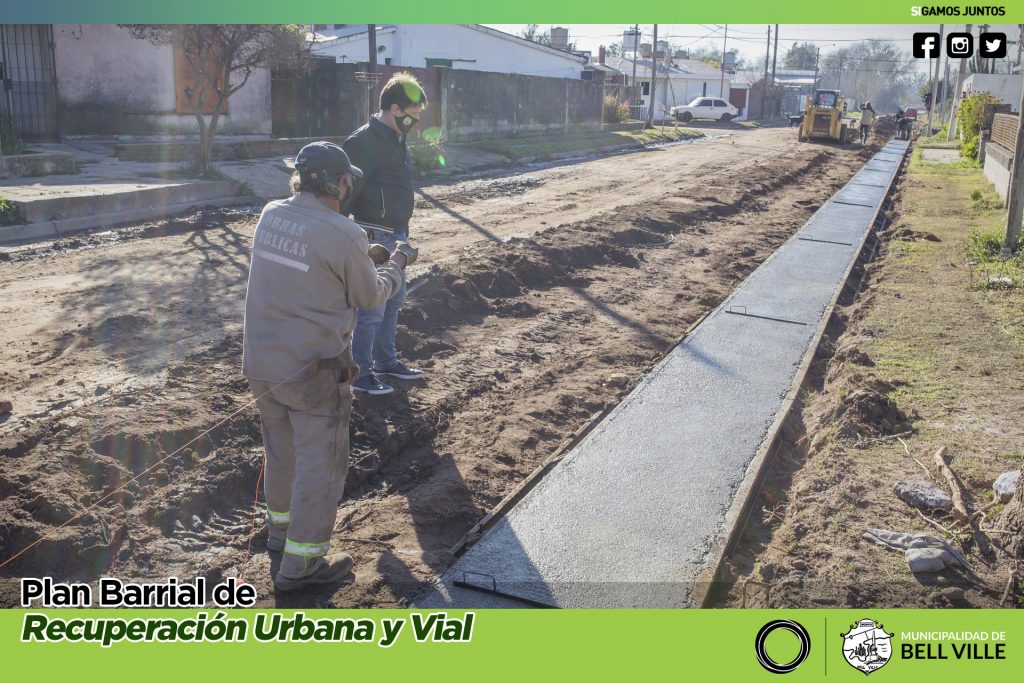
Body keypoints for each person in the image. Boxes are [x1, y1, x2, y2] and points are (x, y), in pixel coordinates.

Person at [242, 141, 410, 591]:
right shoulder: (345, 234)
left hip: (262, 363)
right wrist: (394, 264)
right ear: (338, 182)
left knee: (281, 455)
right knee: (321, 466)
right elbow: (369, 296)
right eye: (346, 179)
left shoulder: (270, 215)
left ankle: (280, 537)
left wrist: (358, 257)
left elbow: (309, 266)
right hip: (313, 371)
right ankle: (301, 568)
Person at [342, 73, 428, 395]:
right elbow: (344, 196)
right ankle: (360, 375)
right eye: (414, 113)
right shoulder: (362, 143)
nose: (417, 119)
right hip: (373, 236)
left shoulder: (396, 138)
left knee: (394, 300)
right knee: (371, 308)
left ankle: (385, 361)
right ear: (394, 108)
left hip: (397, 233)